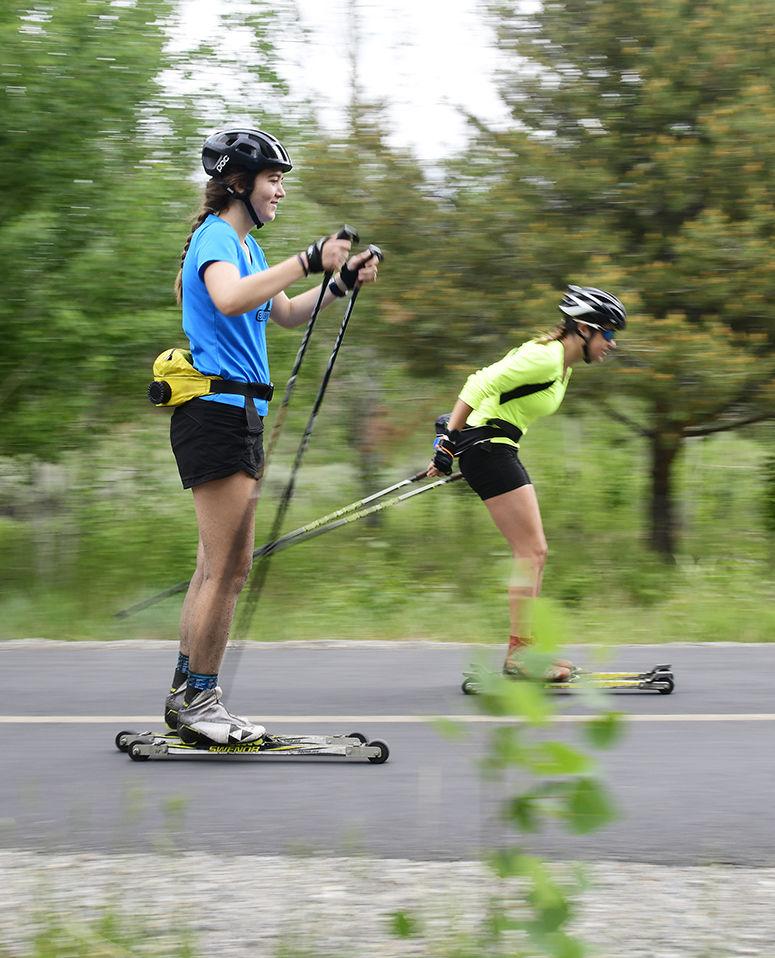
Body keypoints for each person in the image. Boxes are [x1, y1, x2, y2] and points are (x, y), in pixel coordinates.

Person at [165, 128, 380, 744]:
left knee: (215, 567)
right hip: (217, 413)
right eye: (273, 179)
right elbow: (229, 300)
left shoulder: (247, 248)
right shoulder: (215, 239)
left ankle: (189, 693)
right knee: (228, 569)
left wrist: (337, 284)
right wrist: (310, 257)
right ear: (240, 182)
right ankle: (201, 702)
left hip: (238, 414)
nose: (280, 190)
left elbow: (281, 313)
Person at [427, 285, 626, 681]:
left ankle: (526, 650)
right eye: (609, 334)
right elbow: (478, 383)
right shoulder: (546, 358)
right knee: (531, 551)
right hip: (489, 448)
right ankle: (520, 655)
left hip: (496, 448)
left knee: (534, 551)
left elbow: (497, 398)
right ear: (585, 329)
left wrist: (451, 442)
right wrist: (448, 440)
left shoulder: (560, 366)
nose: (612, 344)